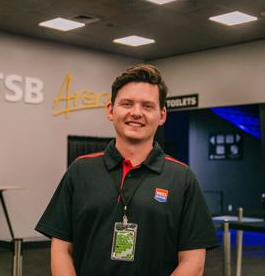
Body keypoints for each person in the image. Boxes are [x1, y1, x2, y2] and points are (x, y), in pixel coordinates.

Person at [35, 64, 218, 276]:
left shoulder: (182, 178)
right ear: (111, 110)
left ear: (162, 115)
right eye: (127, 103)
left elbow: (193, 261)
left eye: (147, 106)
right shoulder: (80, 170)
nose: (136, 113)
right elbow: (61, 250)